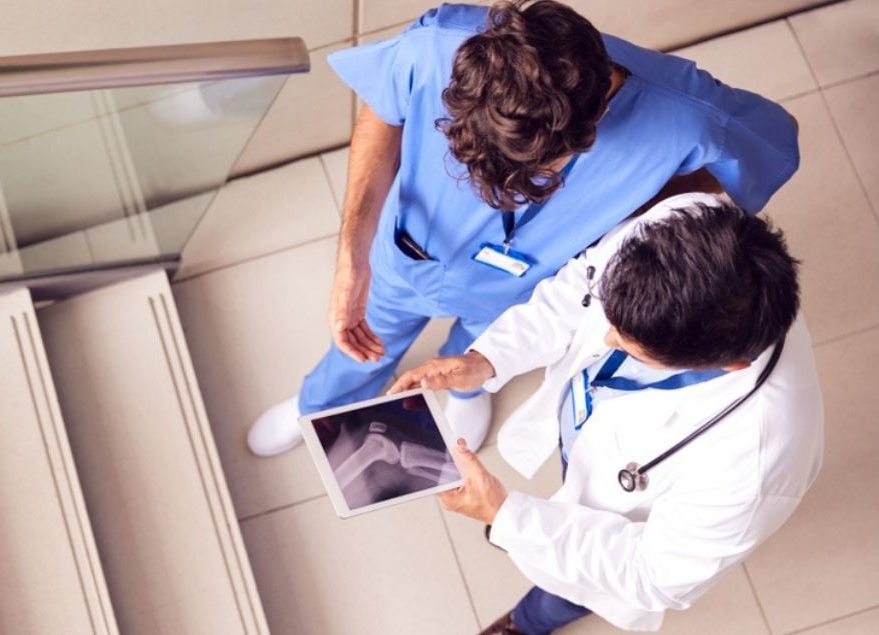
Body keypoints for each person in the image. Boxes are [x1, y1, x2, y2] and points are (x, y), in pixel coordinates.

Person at [246, 0, 800, 457]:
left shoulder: (691, 115)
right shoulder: (436, 46)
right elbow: (382, 108)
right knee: (365, 335)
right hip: (411, 255)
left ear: (591, 127)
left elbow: (772, 143)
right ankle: (318, 405)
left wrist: (648, 203)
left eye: (524, 174)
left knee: (483, 348)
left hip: (529, 286)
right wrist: (352, 257)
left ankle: (471, 391)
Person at [386, 192, 822, 634]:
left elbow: (649, 575)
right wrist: (486, 360)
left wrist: (507, 516)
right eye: (612, 320)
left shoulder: (756, 461)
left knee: (566, 589)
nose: (605, 338)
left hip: (630, 532)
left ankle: (528, 622)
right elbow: (579, 287)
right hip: (591, 432)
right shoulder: (682, 225)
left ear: (725, 364)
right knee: (556, 512)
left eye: (631, 345)